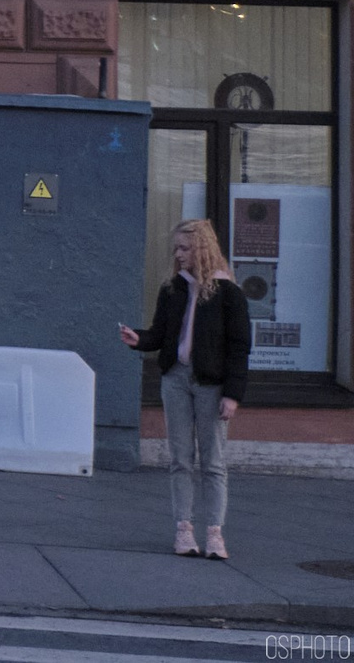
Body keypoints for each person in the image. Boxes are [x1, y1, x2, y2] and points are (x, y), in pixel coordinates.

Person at [120, 219, 252, 560]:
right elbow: (160, 333)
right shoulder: (173, 289)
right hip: (176, 377)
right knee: (180, 459)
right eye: (176, 248)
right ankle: (183, 530)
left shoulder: (229, 294)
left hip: (212, 383)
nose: (178, 255)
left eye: (184, 248)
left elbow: (239, 347)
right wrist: (139, 340)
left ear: (202, 250)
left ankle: (215, 534)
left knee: (213, 461)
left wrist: (232, 395)